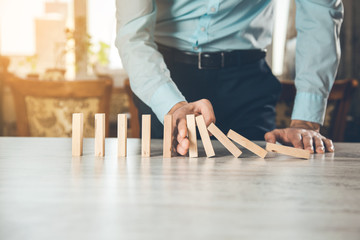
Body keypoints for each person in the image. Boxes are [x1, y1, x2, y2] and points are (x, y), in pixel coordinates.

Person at [115, 0, 343, 156]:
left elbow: (319, 16)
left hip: (246, 81)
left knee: (251, 185)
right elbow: (132, 35)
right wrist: (172, 105)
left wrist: (305, 122)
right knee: (165, 189)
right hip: (166, 78)